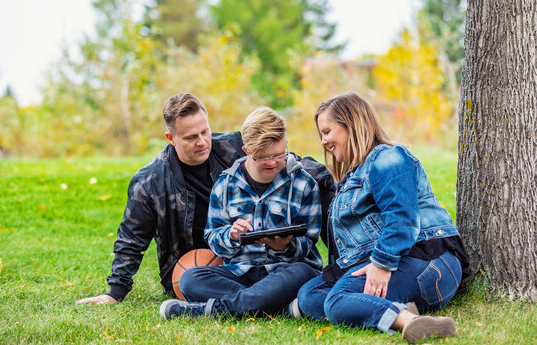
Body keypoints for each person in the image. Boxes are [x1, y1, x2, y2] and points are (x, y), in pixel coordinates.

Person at [76, 94, 334, 305]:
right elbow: (131, 238)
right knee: (191, 280)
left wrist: (322, 180)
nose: (202, 142)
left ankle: (232, 305)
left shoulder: (233, 146)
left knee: (301, 273)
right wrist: (115, 291)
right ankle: (271, 301)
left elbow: (280, 160)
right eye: (190, 137)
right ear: (171, 138)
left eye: (205, 132)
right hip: (215, 266)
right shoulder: (150, 181)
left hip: (274, 263)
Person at [296, 92, 470, 344]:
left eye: (327, 131)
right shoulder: (353, 176)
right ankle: (398, 307)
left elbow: (403, 218)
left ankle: (408, 322)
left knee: (335, 302)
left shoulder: (388, 157)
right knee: (310, 294)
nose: (323, 141)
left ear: (352, 125)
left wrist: (381, 264)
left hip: (429, 261)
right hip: (400, 263)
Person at [160, 107, 323, 319]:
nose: (272, 163)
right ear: (246, 151)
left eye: (279, 154)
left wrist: (285, 246)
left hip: (286, 270)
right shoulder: (225, 185)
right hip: (239, 273)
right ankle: (277, 307)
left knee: (305, 273)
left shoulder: (304, 184)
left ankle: (214, 310)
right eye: (263, 158)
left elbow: (308, 243)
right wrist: (231, 235)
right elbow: (212, 238)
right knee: (190, 279)